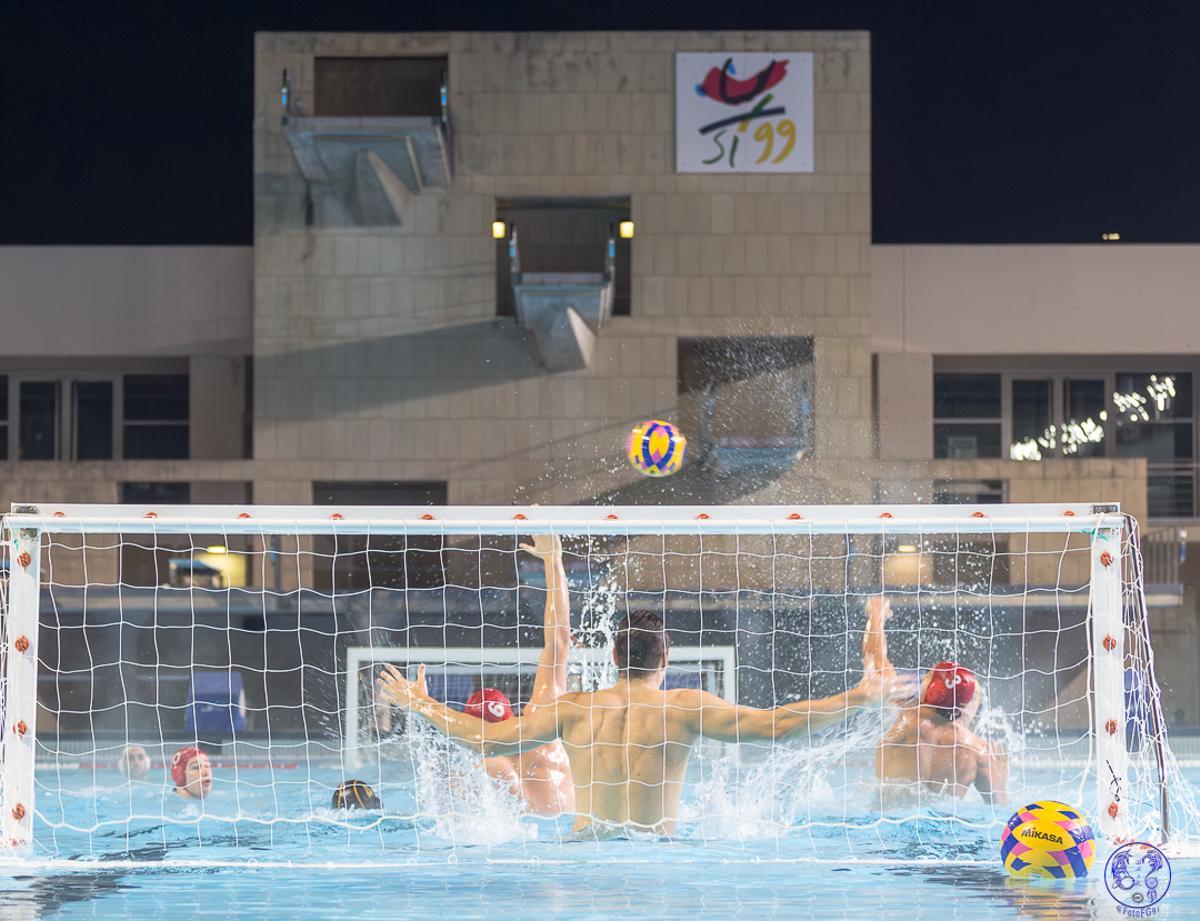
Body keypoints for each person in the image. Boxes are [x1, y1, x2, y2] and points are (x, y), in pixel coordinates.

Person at [379, 608, 895, 837]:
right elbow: (776, 726)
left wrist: (420, 704)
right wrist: (858, 695)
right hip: (659, 854)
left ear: (613, 656)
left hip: (583, 856)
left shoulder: (574, 709)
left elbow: (485, 740)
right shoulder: (684, 707)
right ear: (665, 659)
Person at [460, 533, 575, 817]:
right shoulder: (544, 726)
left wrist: (418, 702)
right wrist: (553, 560)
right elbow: (560, 639)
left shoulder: (487, 764)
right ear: (510, 715)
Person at [863, 596, 1009, 804]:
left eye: (926, 678)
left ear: (930, 689)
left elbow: (875, 661)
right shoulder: (979, 751)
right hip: (945, 824)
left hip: (887, 821)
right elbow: (1000, 808)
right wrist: (1001, 780)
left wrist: (876, 616)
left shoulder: (904, 717)